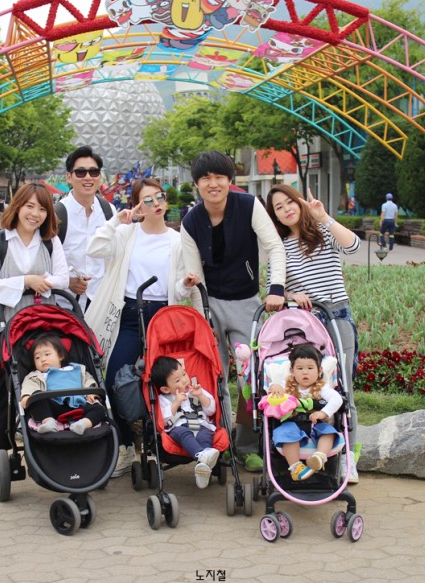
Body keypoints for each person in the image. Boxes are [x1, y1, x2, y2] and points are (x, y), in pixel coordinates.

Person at [86, 178, 199, 477]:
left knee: (163, 380)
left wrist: (186, 284)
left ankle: (159, 440)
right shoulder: (127, 233)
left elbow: (178, 288)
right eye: (147, 200)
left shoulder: (176, 240)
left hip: (162, 316)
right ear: (137, 205)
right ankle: (124, 446)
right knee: (114, 379)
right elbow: (94, 248)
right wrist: (118, 220)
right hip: (129, 313)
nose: (156, 204)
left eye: (159, 197)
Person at [181, 150, 286, 473]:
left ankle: (247, 445)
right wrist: (203, 317)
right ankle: (220, 441)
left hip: (246, 303)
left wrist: (276, 288)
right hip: (210, 304)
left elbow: (274, 246)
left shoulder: (249, 206)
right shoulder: (191, 221)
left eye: (219, 177)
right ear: (197, 184)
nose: (213, 184)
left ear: (230, 180)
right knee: (212, 377)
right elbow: (194, 275)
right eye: (205, 178)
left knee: (248, 379)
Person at [265, 184, 361, 482]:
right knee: (310, 383)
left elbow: (353, 246)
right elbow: (273, 291)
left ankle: (347, 458)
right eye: (278, 207)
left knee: (343, 387)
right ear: (274, 216)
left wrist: (323, 217)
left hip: (337, 314)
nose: (286, 210)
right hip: (306, 324)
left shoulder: (322, 232)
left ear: (300, 203)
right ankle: (310, 448)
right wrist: (291, 295)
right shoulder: (279, 248)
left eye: (289, 202)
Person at [0, 183, 70, 451]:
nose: (35, 214)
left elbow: (63, 278)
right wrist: (26, 281)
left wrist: (42, 282)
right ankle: (3, 446)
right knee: (5, 384)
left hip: (42, 323)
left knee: (47, 378)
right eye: (30, 206)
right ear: (18, 207)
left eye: (42, 209)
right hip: (6, 324)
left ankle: (51, 434)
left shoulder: (50, 241)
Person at [266, 344, 344, 482]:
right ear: (292, 371)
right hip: (292, 423)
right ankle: (296, 468)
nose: (305, 373)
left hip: (316, 424)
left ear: (319, 371)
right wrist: (274, 386)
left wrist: (323, 413)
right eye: (300, 368)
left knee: (329, 432)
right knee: (285, 433)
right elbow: (272, 392)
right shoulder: (286, 385)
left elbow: (337, 399)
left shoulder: (322, 388)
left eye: (310, 368)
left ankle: (319, 457)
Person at [54, 146, 114, 311]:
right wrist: (67, 281)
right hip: (64, 302)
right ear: (69, 177)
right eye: (80, 172)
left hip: (100, 301)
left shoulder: (109, 211)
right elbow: (44, 259)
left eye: (94, 172)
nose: (88, 177)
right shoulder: (57, 214)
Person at [150, 356, 221, 489]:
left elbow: (211, 410)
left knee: (205, 435)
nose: (184, 380)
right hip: (178, 428)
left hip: (200, 424)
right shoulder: (164, 399)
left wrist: (200, 395)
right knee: (184, 433)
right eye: (177, 380)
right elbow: (163, 420)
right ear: (166, 389)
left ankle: (203, 466)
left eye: (184, 374)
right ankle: (201, 455)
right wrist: (176, 403)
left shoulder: (195, 391)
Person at [20, 332, 107, 435]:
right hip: (54, 408)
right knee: (36, 397)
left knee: (99, 409)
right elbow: (30, 385)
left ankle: (83, 424)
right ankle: (49, 422)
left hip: (80, 405)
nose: (43, 359)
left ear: (60, 356)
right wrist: (27, 395)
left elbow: (88, 380)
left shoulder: (77, 369)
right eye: (37, 357)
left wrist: (91, 392)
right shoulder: (37, 375)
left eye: (47, 354)